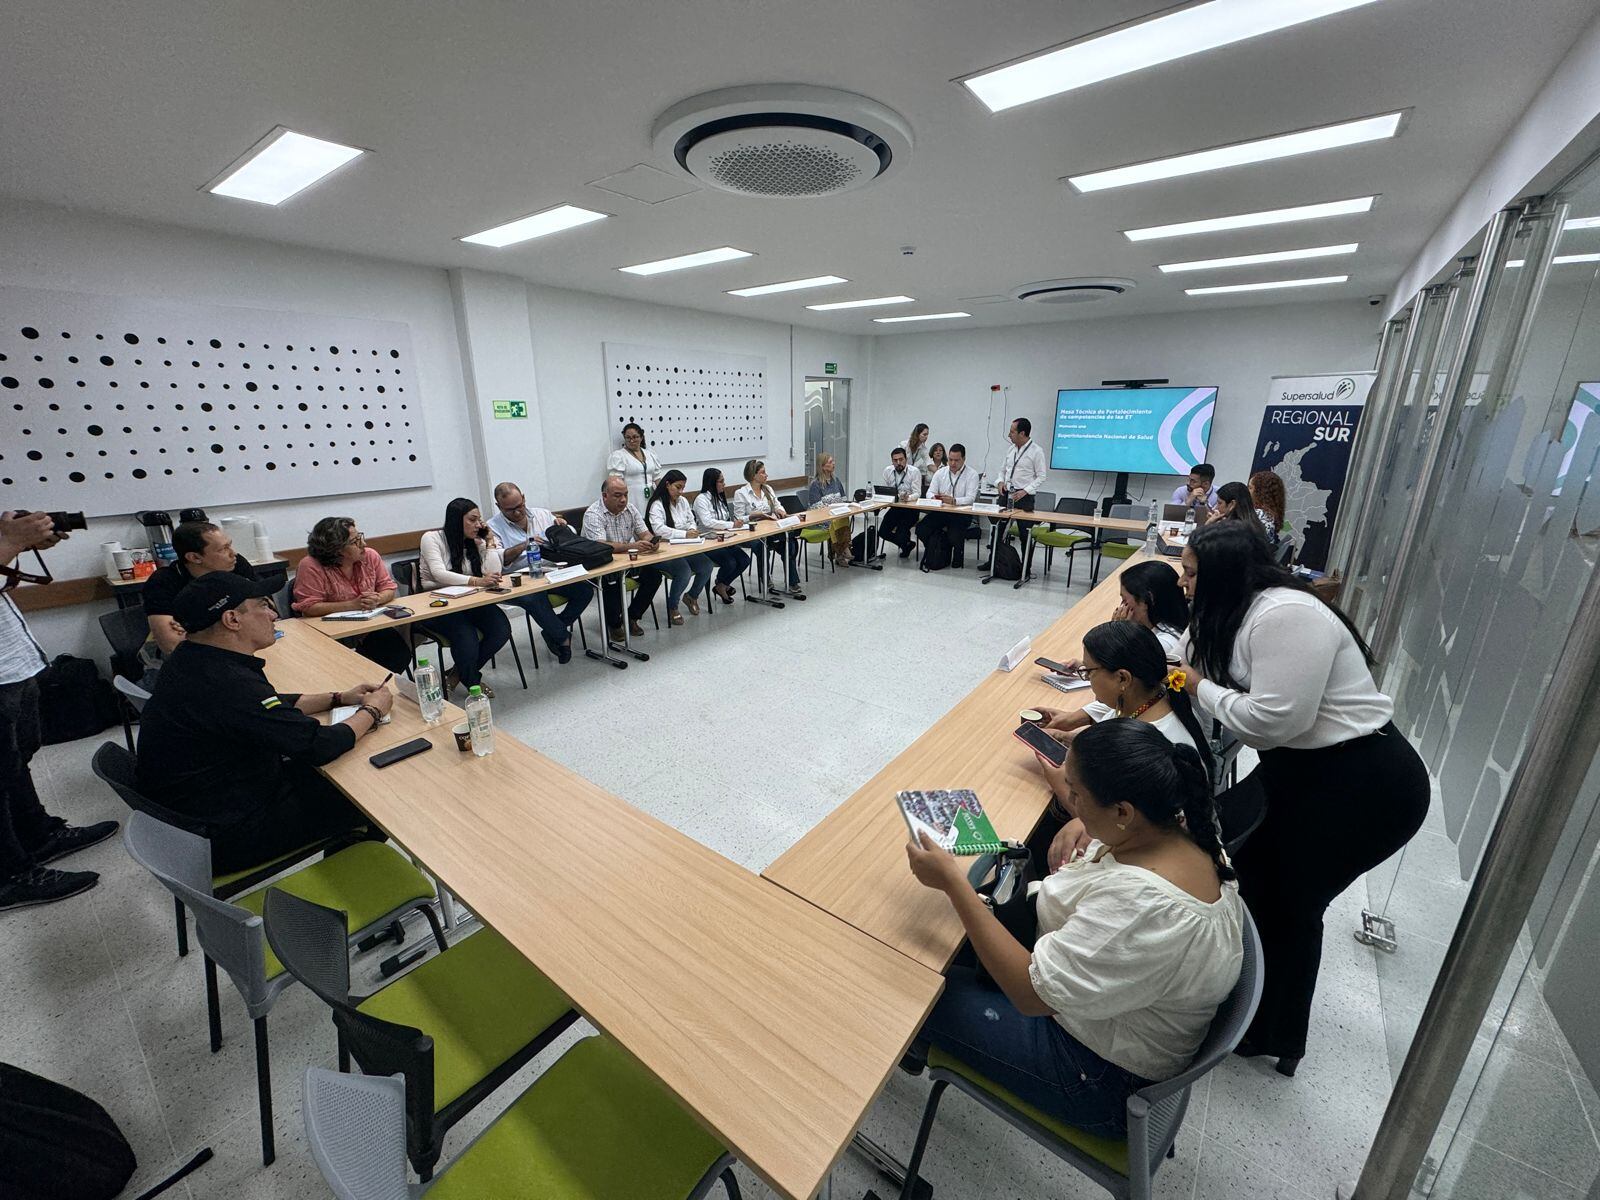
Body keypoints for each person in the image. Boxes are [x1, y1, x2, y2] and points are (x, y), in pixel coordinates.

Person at [903, 719, 1243, 1137]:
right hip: (1099, 1009)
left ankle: (903, 1049)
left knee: (914, 986)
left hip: (1094, 1076)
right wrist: (1089, 822)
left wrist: (955, 885)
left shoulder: (1144, 908)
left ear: (1123, 811)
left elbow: (1031, 995)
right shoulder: (1178, 830)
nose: (1070, 803)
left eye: (1077, 796)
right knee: (942, 943)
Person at [1176, 521, 1428, 1076]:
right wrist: (1176, 677)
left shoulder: (1286, 616)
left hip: (1364, 783)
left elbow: (1270, 721)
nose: (1184, 583)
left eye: (1192, 574)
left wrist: (1195, 686)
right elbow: (1190, 662)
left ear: (1221, 575)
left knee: (1290, 901)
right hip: (1304, 769)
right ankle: (1251, 1013)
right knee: (1249, 876)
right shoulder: (1237, 612)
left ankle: (1271, 1033)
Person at [135, 573, 391, 874]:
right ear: (232, 619)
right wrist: (371, 712)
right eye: (263, 606)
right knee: (374, 798)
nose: (274, 615)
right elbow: (319, 745)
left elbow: (270, 705)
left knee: (347, 774)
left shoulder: (193, 659)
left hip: (205, 807)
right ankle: (353, 890)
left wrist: (338, 697)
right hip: (225, 834)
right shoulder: (228, 682)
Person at [0, 511, 118, 912]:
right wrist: (11, 542)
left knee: (16, 760)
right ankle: (10, 876)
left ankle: (36, 835)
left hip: (13, 663)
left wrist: (16, 547)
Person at [1027, 622, 1213, 867]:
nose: (1088, 680)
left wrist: (1059, 783)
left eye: (1089, 672)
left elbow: (1114, 822)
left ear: (1123, 678)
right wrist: (1068, 735)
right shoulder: (1151, 701)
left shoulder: (1151, 747)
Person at [487, 481, 593, 664]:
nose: (518, 512)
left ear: (524, 498)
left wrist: (563, 527)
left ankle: (552, 630)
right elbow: (499, 560)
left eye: (520, 505)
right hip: (517, 580)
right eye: (510, 510)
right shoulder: (492, 527)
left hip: (549, 571)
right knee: (534, 599)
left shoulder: (542, 514)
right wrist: (524, 545)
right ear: (499, 507)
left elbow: (570, 536)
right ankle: (561, 637)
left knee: (585, 590)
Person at [417, 498, 513, 697]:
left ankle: (456, 675)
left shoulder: (475, 542)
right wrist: (477, 581)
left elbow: (494, 574)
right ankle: (472, 681)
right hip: (437, 603)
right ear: (456, 520)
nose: (478, 524)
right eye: (472, 519)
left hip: (470, 600)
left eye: (479, 520)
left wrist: (490, 541)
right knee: (466, 636)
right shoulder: (432, 538)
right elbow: (438, 574)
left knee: (501, 629)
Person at [291, 517, 411, 674]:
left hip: (369, 626)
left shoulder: (370, 556)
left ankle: (373, 690)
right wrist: (351, 605)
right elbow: (308, 607)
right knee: (342, 669)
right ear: (336, 549)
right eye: (355, 541)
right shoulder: (310, 566)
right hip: (330, 631)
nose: (363, 544)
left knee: (398, 654)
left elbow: (388, 588)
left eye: (360, 537)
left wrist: (378, 599)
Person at [141, 520, 259, 677]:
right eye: (223, 549)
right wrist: (238, 625)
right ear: (195, 557)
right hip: (178, 670)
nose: (234, 553)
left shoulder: (236, 565)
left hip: (238, 654)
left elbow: (267, 610)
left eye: (229, 545)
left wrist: (196, 631)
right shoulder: (163, 582)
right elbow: (172, 645)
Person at [583, 476, 664, 640]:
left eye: (626, 494)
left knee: (654, 576)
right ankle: (614, 625)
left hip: (627, 560)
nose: (623, 499)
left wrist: (651, 541)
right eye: (617, 495)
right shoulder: (593, 514)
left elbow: (644, 533)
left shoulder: (631, 509)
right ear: (604, 496)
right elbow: (601, 547)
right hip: (601, 564)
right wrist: (631, 546)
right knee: (612, 582)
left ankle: (632, 617)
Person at [645, 470, 716, 623]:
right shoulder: (657, 504)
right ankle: (673, 606)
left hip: (685, 546)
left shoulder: (683, 501)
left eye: (683, 488)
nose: (681, 491)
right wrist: (684, 534)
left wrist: (691, 529)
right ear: (667, 485)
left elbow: (691, 519)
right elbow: (659, 529)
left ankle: (692, 596)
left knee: (707, 565)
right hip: (664, 550)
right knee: (684, 571)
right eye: (678, 487)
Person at [981, 417, 1047, 570]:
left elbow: (1041, 476)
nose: (1009, 435)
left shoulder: (1036, 451)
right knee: (997, 530)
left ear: (1022, 433)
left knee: (1025, 534)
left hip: (1024, 498)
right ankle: (993, 562)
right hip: (1006, 495)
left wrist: (1025, 491)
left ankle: (1025, 568)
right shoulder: (1011, 449)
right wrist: (1000, 482)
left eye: (1012, 432)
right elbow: (1002, 471)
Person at [733, 459, 804, 598]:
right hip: (752, 532)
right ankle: (765, 578)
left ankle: (792, 581)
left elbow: (777, 505)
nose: (766, 475)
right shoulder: (741, 493)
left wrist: (781, 510)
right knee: (761, 546)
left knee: (790, 542)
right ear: (754, 476)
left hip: (771, 528)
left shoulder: (768, 489)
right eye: (763, 472)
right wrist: (754, 515)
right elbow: (739, 519)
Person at [692, 468, 751, 606]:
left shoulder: (719, 497)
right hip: (708, 541)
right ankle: (722, 585)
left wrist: (736, 524)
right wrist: (731, 524)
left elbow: (725, 519)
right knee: (730, 563)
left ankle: (722, 584)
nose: (724, 484)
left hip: (724, 539)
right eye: (721, 481)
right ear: (712, 482)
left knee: (744, 560)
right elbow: (708, 522)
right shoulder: (701, 499)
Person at [917, 442, 979, 572]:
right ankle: (937, 549)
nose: (953, 463)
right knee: (921, 529)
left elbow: (971, 498)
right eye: (950, 459)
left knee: (954, 535)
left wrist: (954, 501)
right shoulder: (941, 473)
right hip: (942, 511)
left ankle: (954, 554)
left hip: (961, 514)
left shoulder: (972, 474)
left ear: (964, 459)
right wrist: (933, 498)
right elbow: (930, 492)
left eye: (957, 460)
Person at [1115, 560, 1190, 659]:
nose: (1122, 606)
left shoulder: (1162, 644)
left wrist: (1119, 634)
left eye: (1124, 600)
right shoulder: (1164, 627)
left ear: (1146, 600)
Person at [801, 452, 853, 567]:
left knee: (843, 517)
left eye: (833, 461)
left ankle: (841, 550)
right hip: (821, 519)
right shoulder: (816, 484)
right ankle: (842, 550)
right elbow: (816, 508)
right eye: (830, 462)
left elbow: (843, 499)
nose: (833, 463)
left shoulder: (836, 480)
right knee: (835, 520)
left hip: (836, 515)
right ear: (823, 466)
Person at [605, 421, 664, 517]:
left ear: (641, 437)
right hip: (631, 499)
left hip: (650, 497)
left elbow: (657, 479)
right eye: (628, 438)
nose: (631, 440)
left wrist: (665, 496)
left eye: (635, 437)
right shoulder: (619, 456)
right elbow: (614, 483)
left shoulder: (650, 454)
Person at [877, 446, 923, 559]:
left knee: (902, 531)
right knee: (882, 531)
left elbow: (918, 493)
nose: (898, 463)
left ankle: (905, 544)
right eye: (895, 460)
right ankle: (906, 544)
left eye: (901, 459)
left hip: (911, 509)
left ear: (906, 459)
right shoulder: (888, 471)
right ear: (892, 461)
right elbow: (887, 491)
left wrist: (908, 497)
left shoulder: (914, 472)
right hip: (896, 507)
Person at [1249, 469, 1288, 552]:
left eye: (1250, 488)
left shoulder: (1257, 515)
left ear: (1260, 493)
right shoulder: (1271, 514)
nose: (1247, 491)